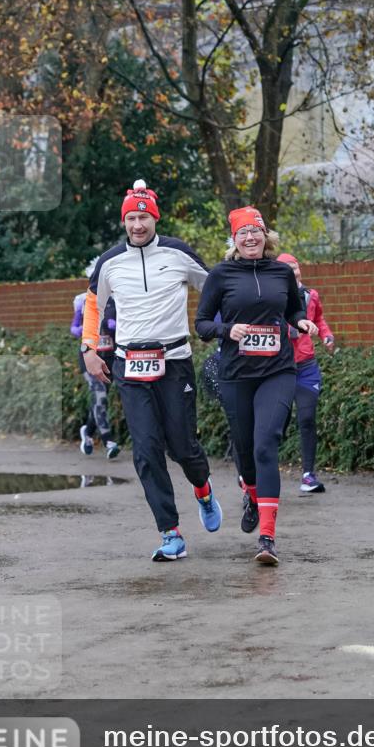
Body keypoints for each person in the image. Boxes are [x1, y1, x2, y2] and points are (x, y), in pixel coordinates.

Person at [81, 180, 222, 562]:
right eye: (131, 218)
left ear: (154, 218)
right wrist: (89, 350)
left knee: (182, 446)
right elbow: (93, 306)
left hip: (174, 362)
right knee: (145, 449)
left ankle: (203, 489)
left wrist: (222, 330)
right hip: (129, 365)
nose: (137, 225)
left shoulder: (177, 253)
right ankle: (170, 532)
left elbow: (214, 288)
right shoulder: (110, 263)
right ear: (124, 221)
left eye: (144, 217)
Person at [195, 206, 318, 566]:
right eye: (243, 233)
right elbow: (201, 324)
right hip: (235, 374)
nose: (250, 238)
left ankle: (267, 539)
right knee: (246, 450)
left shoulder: (281, 272)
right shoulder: (221, 275)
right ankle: (250, 490)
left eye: (256, 231)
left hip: (277, 371)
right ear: (234, 239)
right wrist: (225, 330)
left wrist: (304, 324)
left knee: (266, 445)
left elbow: (294, 312)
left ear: (266, 236)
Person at [277, 253, 335, 493]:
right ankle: (257, 474)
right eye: (286, 269)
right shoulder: (272, 298)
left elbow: (319, 319)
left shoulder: (311, 296)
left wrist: (326, 335)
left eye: (295, 267)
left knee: (307, 419)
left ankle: (309, 475)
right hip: (279, 369)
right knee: (276, 425)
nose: (292, 272)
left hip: (306, 367)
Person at [70, 259, 120, 460]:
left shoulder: (116, 300)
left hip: (109, 357)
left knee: (101, 399)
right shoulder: (83, 301)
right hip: (89, 357)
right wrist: (82, 330)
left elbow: (124, 326)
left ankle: (88, 433)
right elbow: (73, 327)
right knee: (99, 396)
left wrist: (114, 325)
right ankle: (108, 441)